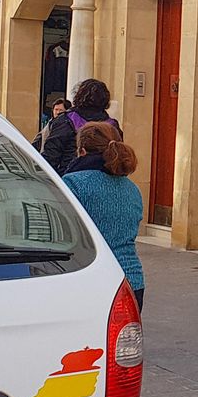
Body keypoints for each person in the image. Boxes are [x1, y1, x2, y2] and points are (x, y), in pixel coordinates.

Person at [62, 121, 145, 307]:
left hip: (90, 280)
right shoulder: (133, 189)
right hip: (132, 280)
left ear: (82, 151)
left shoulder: (72, 183)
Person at [42, 79, 117, 173]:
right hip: (105, 180)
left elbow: (51, 156)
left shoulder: (65, 121)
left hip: (68, 179)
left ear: (79, 96)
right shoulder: (112, 126)